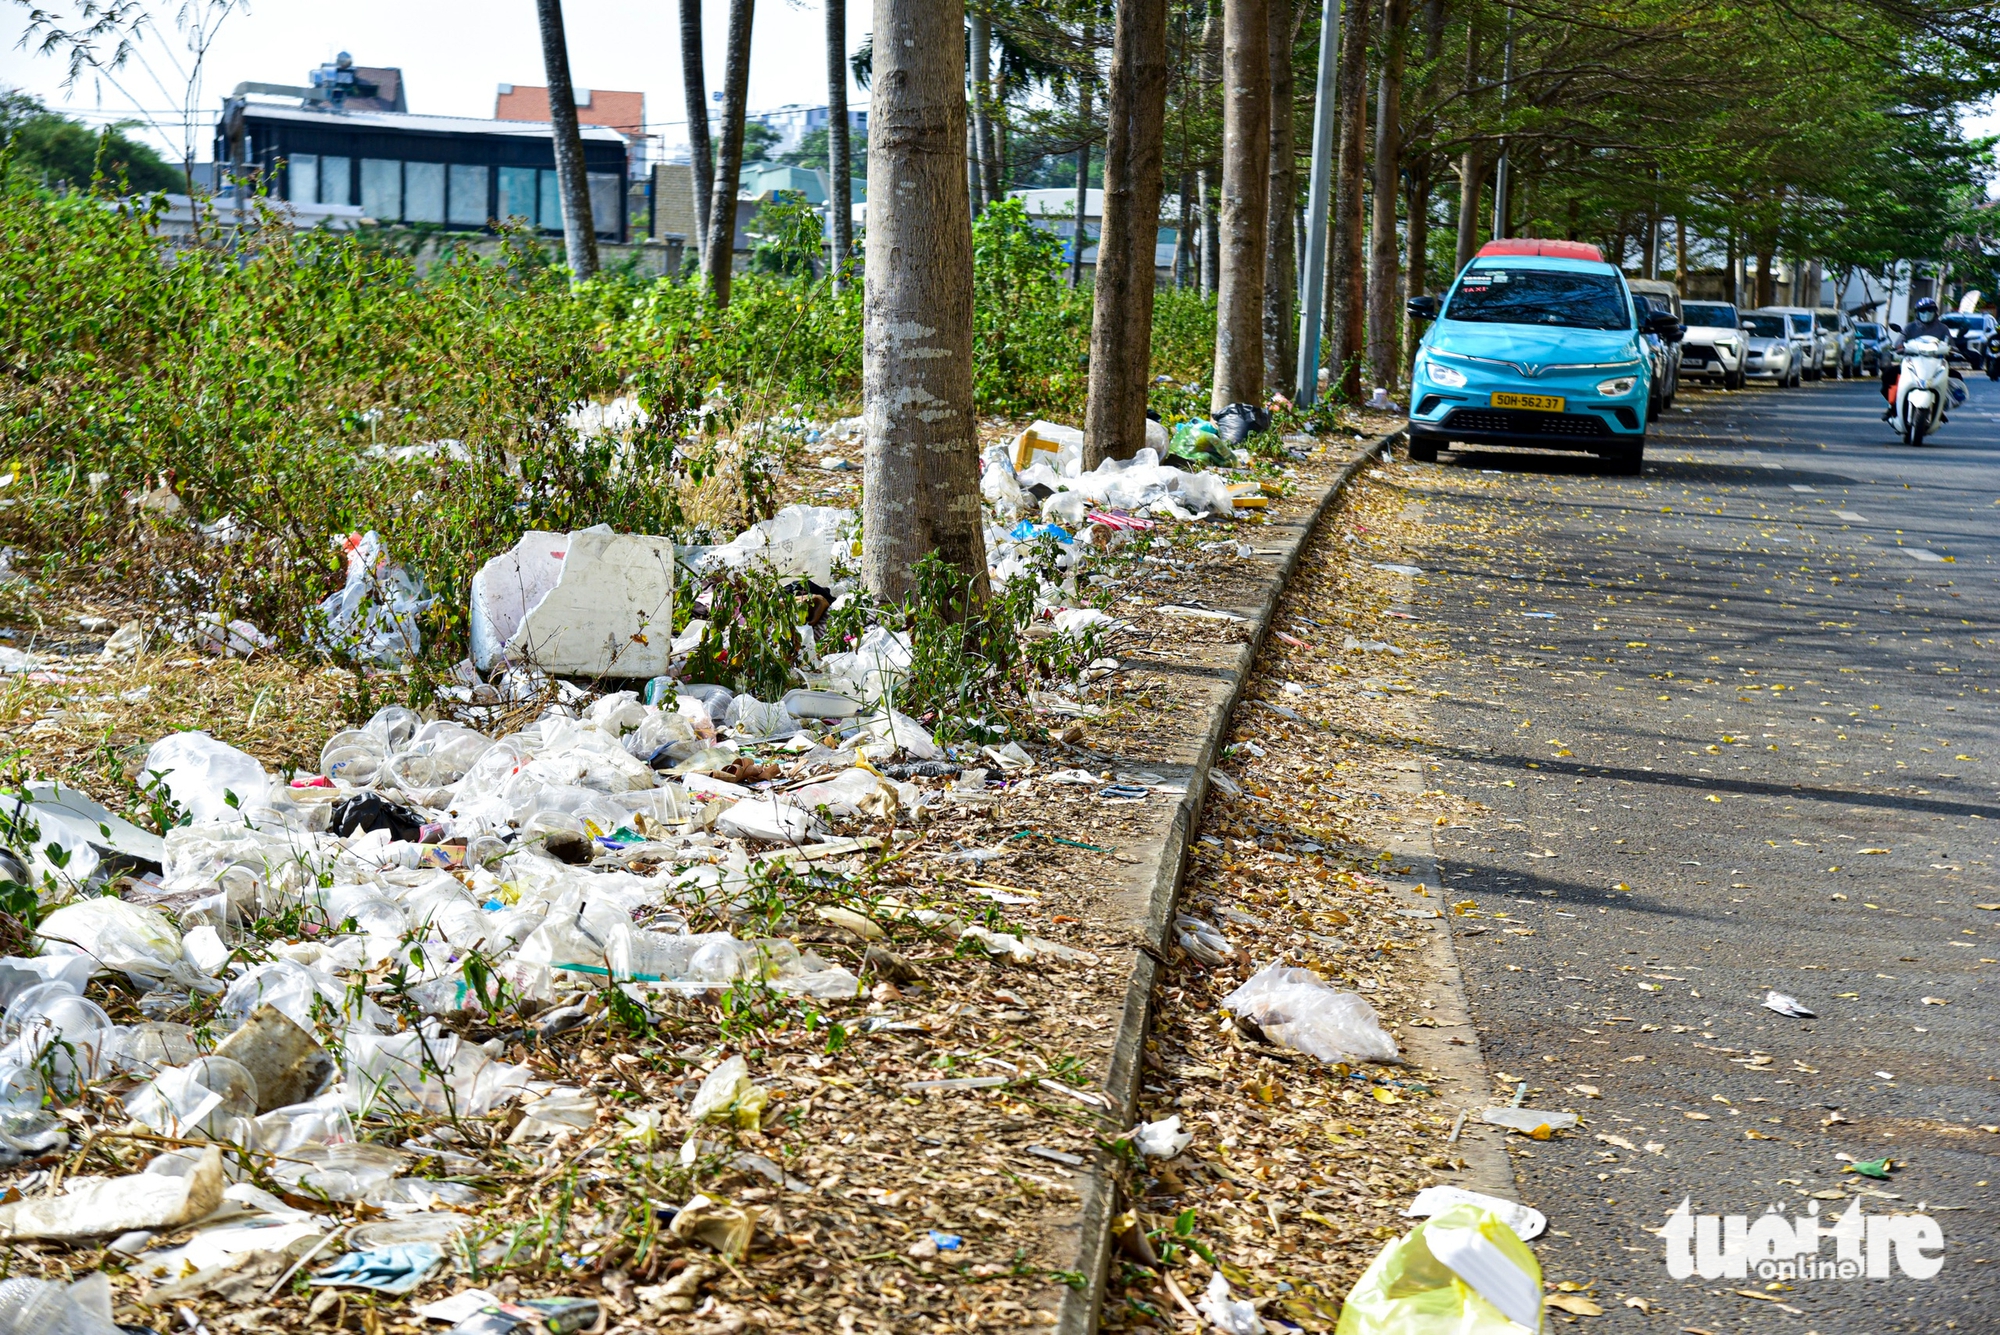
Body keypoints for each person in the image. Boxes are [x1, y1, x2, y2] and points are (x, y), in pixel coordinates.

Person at [1882, 297, 1954, 419]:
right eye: (1923, 311)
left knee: (1954, 377)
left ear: (1935, 312)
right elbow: (1899, 342)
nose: (1926, 313)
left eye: (1930, 310)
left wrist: (1954, 350)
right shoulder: (1910, 327)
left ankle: (1940, 407)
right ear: (1917, 313)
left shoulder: (1943, 329)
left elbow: (1950, 344)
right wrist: (1899, 348)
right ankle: (1892, 406)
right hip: (1912, 363)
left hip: (1936, 364)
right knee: (1888, 375)